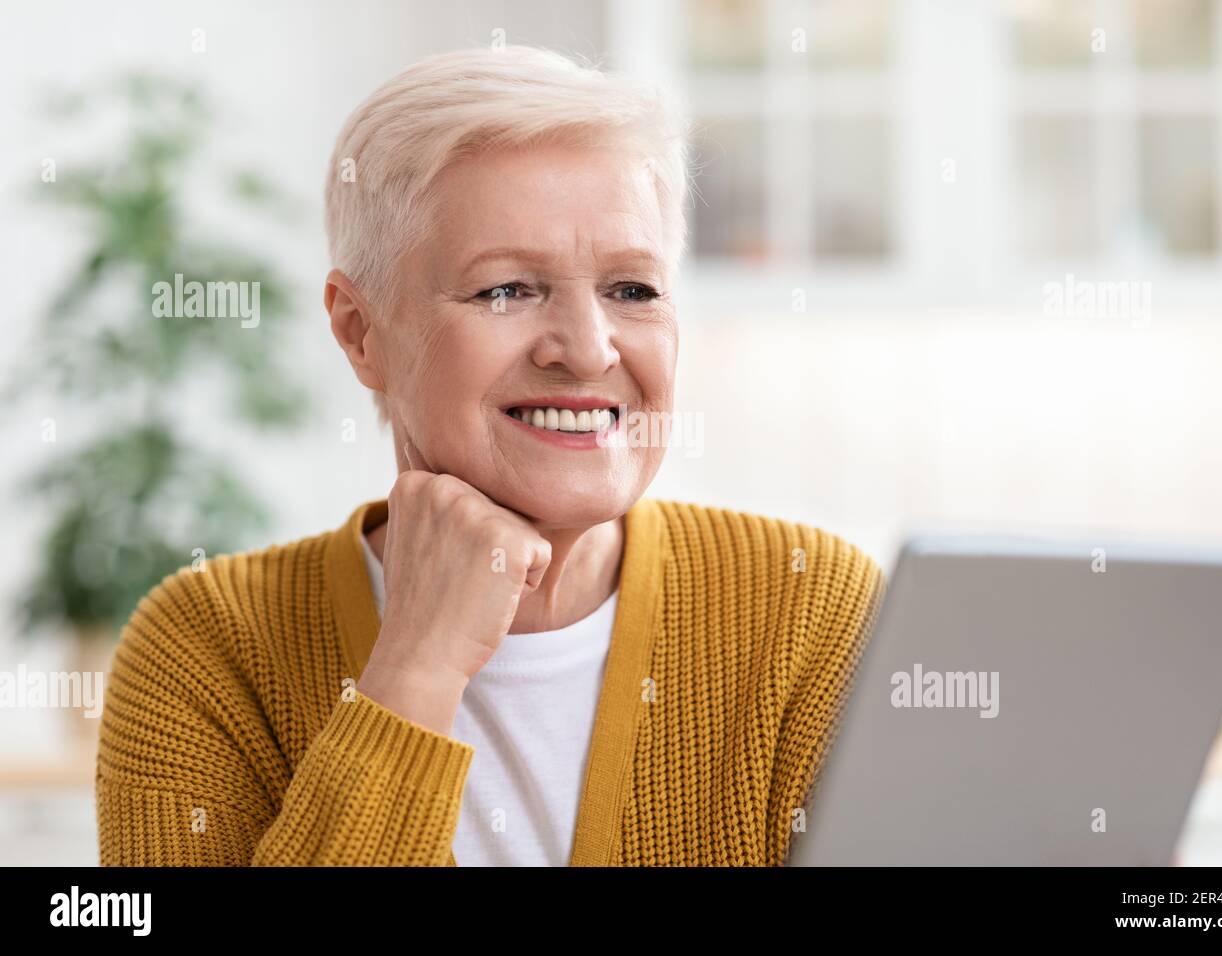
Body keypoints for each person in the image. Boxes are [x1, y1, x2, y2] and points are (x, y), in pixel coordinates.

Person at [95, 44, 886, 867]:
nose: (586, 350)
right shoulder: (205, 651)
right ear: (361, 334)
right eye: (506, 289)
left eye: (632, 290)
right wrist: (415, 670)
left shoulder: (808, 609)